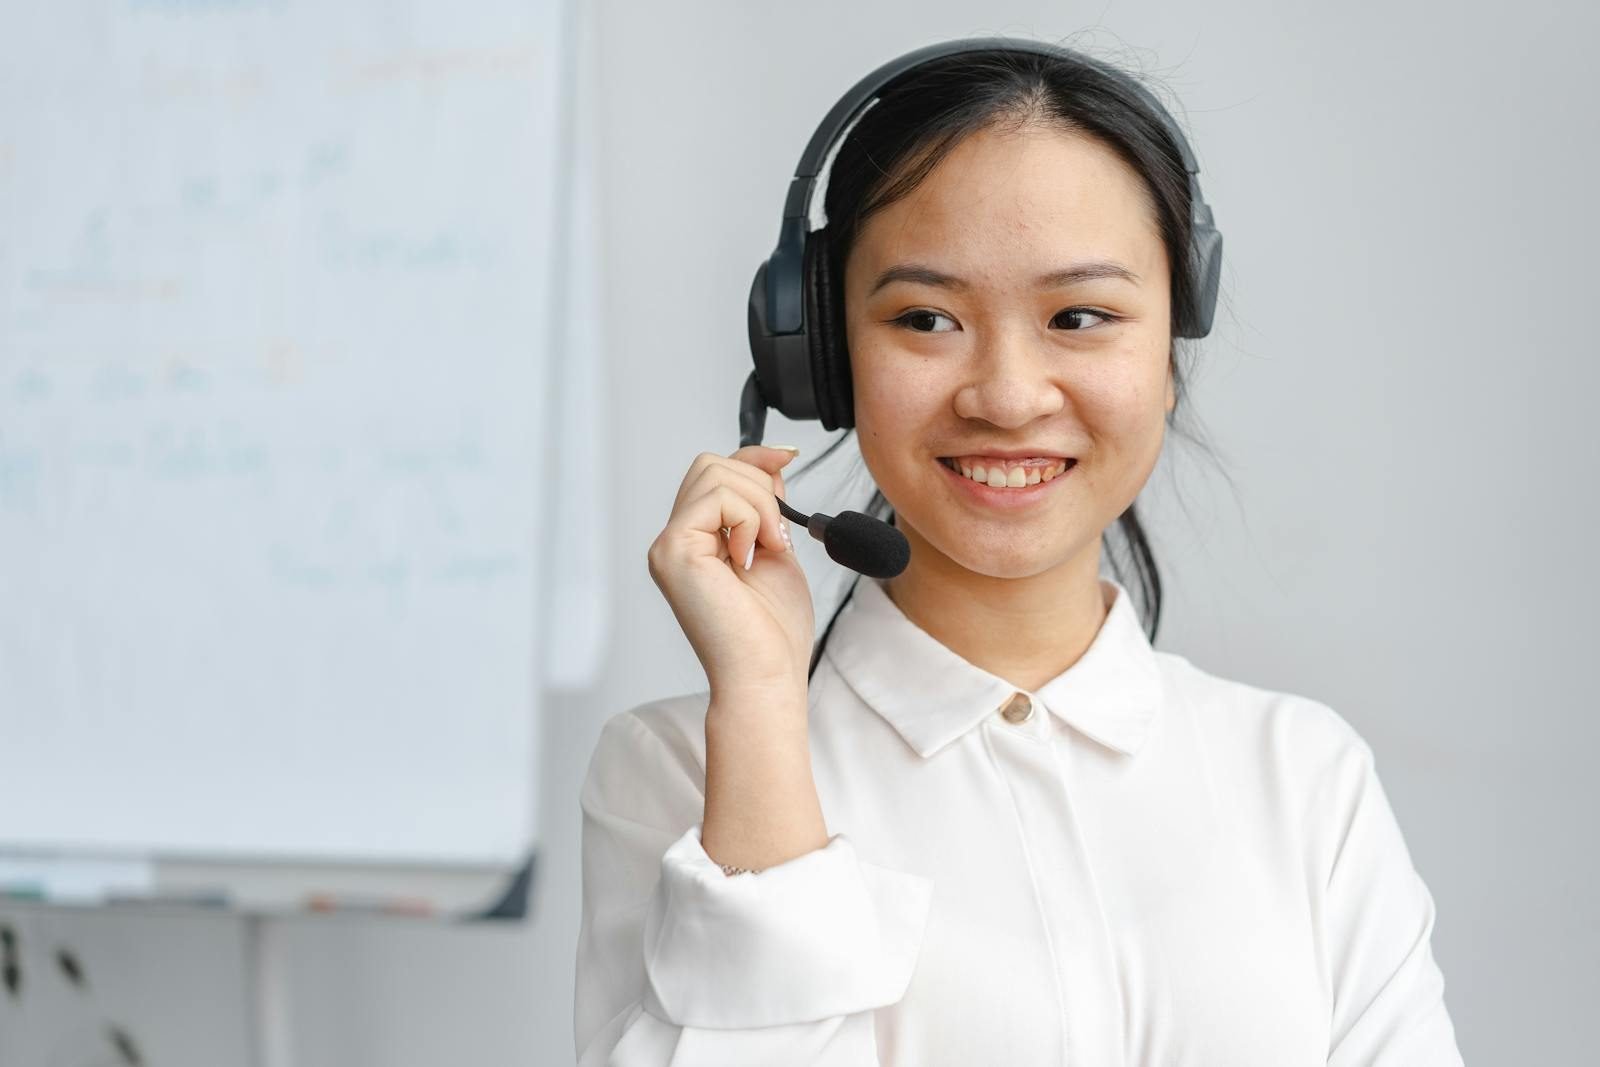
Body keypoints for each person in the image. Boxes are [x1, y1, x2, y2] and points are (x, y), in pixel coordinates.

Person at [574, 41, 1465, 1066]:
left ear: (1170, 348)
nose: (1005, 394)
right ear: (820, 352)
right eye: (926, 317)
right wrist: (766, 720)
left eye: (1079, 316)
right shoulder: (679, 771)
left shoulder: (1302, 776)